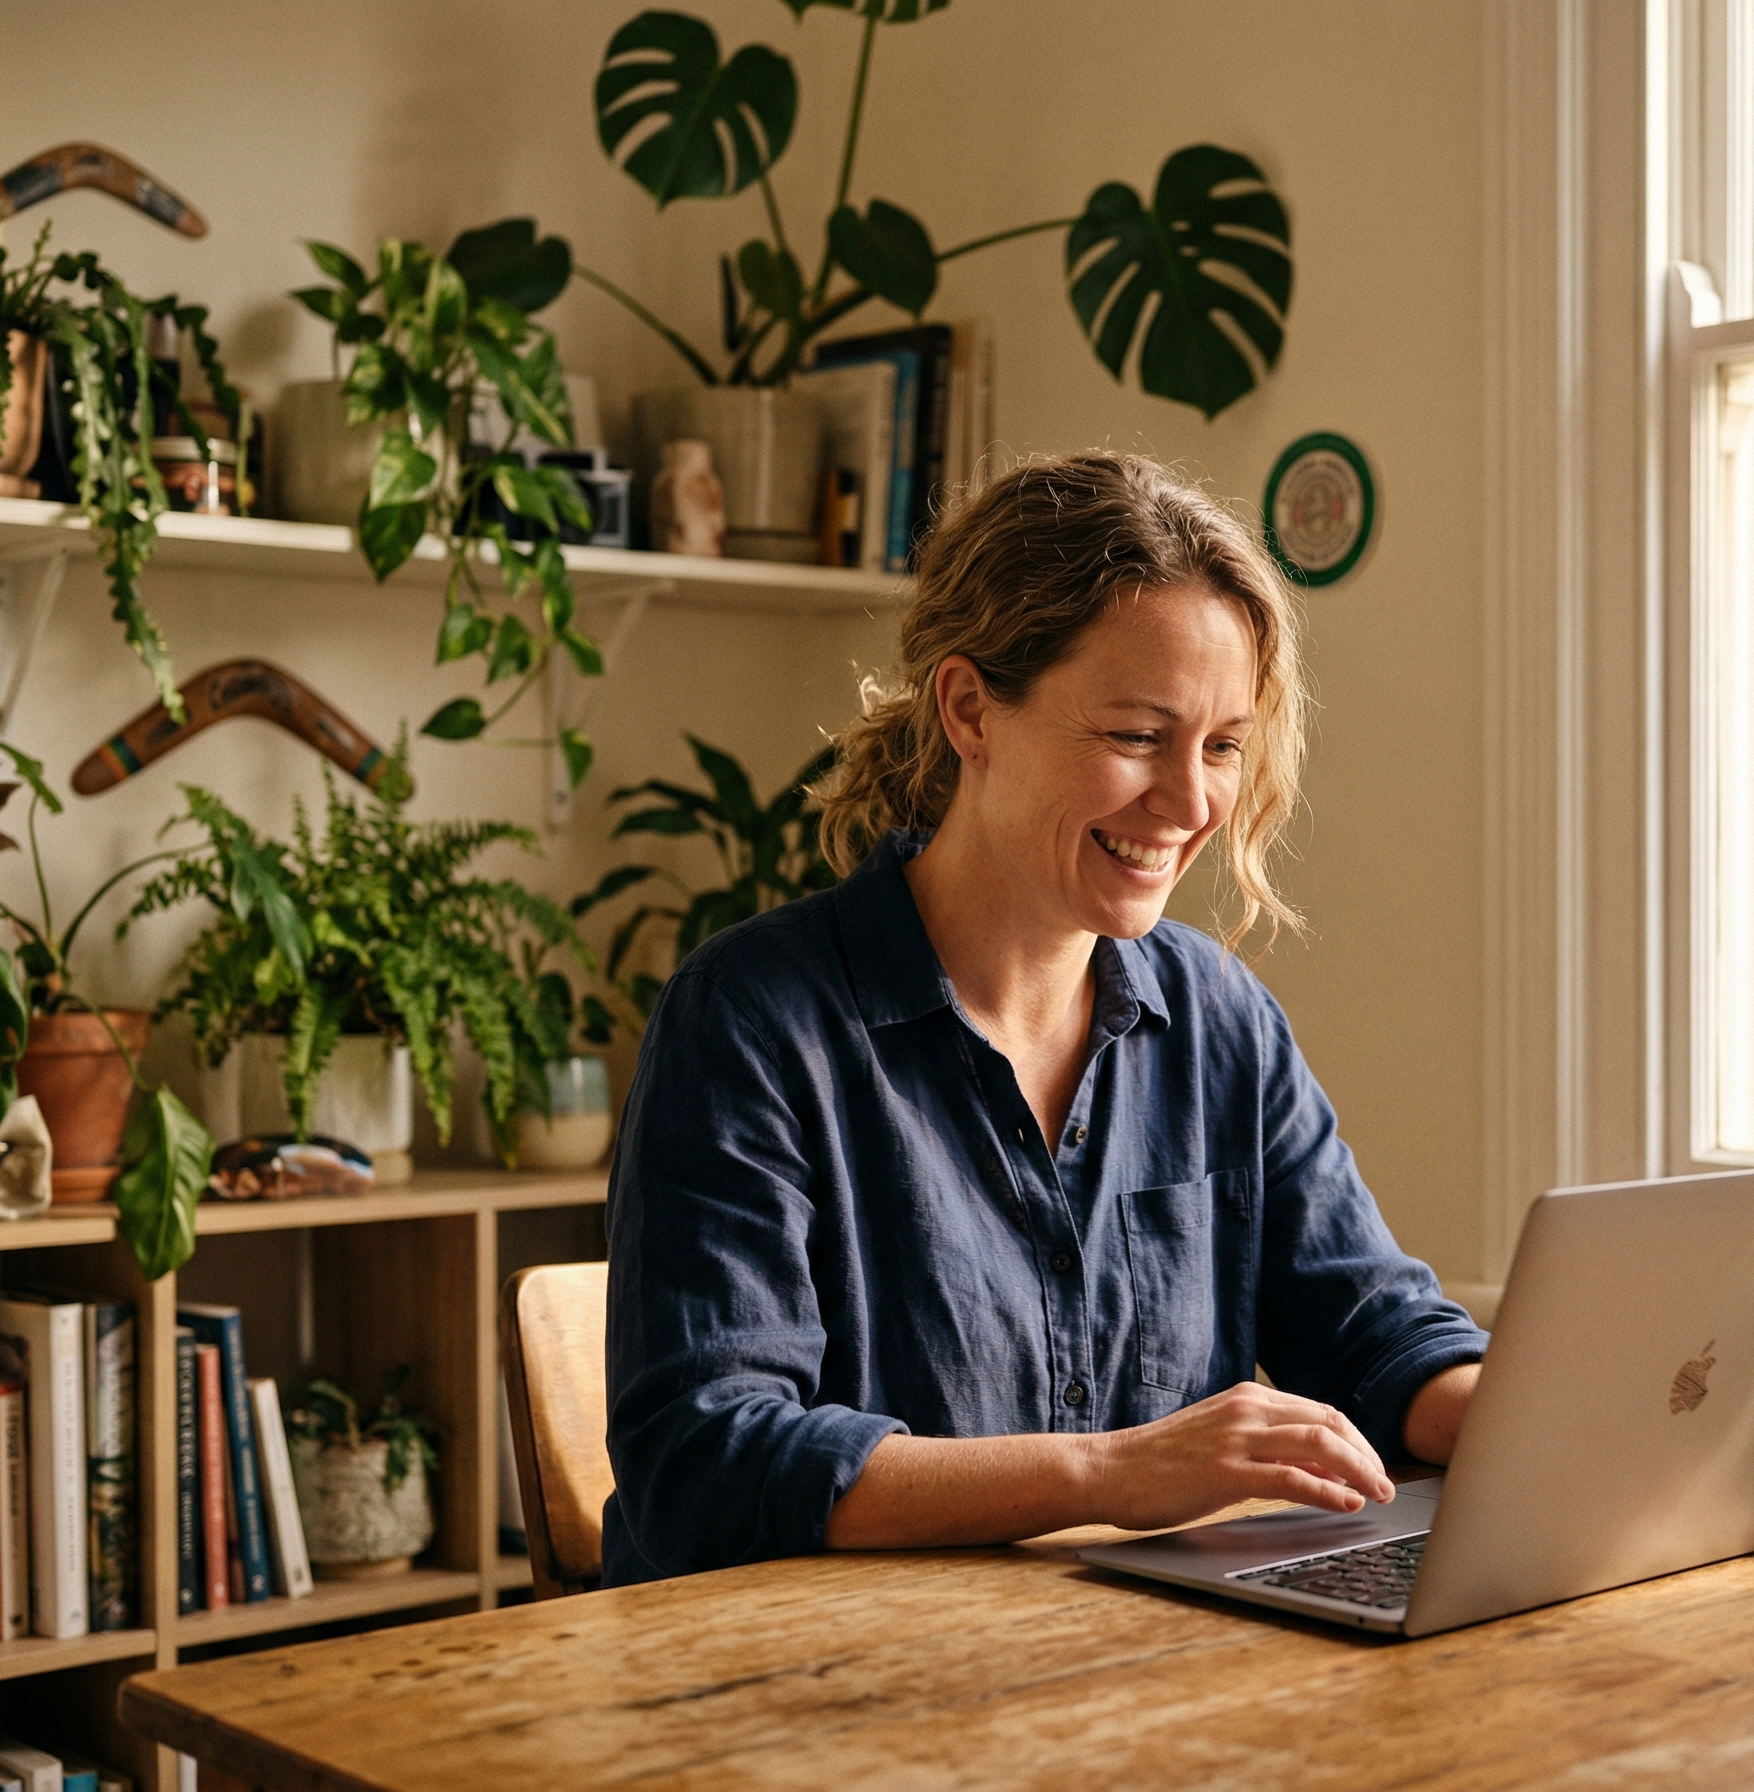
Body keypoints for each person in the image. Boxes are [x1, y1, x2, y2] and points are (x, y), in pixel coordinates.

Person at [602, 451, 1487, 1584]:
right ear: (970, 709)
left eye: (1220, 746)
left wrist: (1546, 1420)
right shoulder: (751, 1025)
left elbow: (1376, 1335)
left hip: (1114, 1687)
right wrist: (1111, 1473)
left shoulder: (1221, 1022)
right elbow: (708, 1460)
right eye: (1135, 736)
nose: (1192, 801)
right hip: (803, 1710)